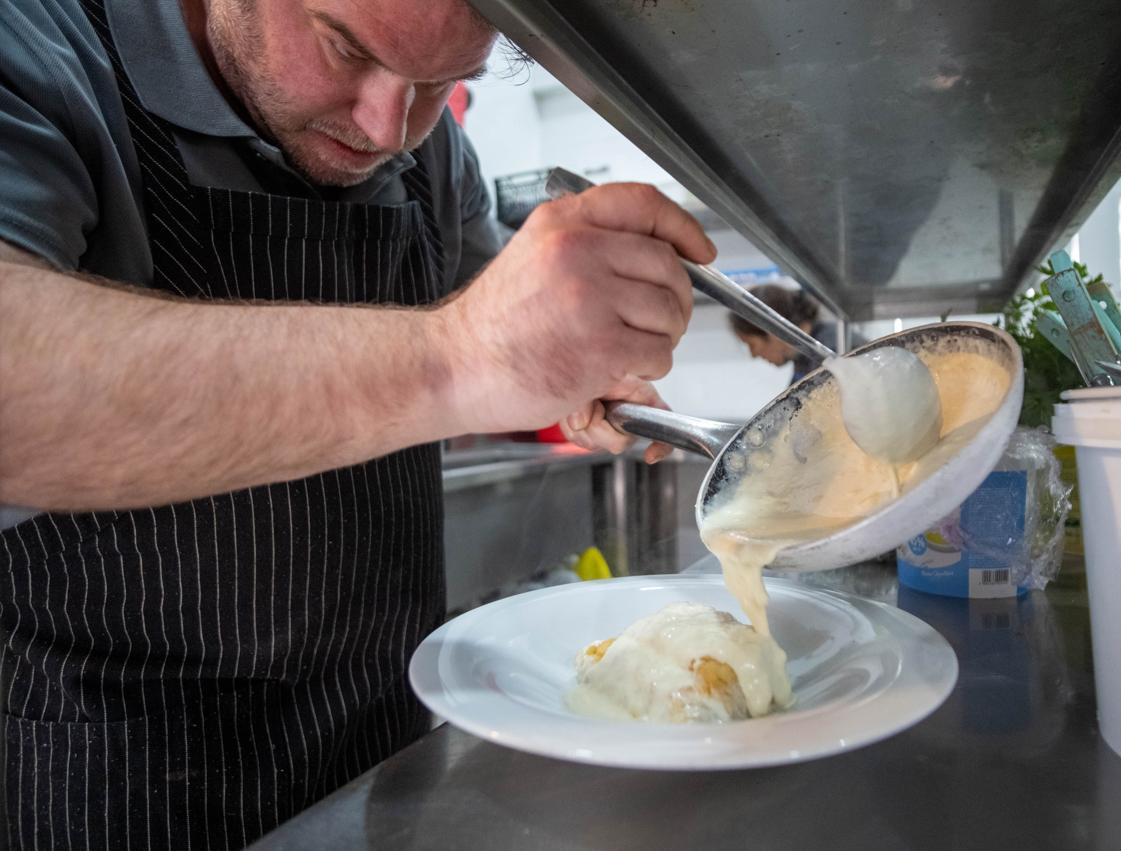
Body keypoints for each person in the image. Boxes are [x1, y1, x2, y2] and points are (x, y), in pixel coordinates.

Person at [0, 0, 715, 846]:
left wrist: (576, 369)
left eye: (442, 82)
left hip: (379, 760)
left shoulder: (432, 152)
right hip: (119, 784)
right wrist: (455, 357)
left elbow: (506, 321)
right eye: (342, 49)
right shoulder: (39, 47)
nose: (386, 126)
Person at [728, 283, 859, 383]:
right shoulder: (805, 356)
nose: (754, 354)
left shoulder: (832, 350)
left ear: (774, 331)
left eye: (752, 344)